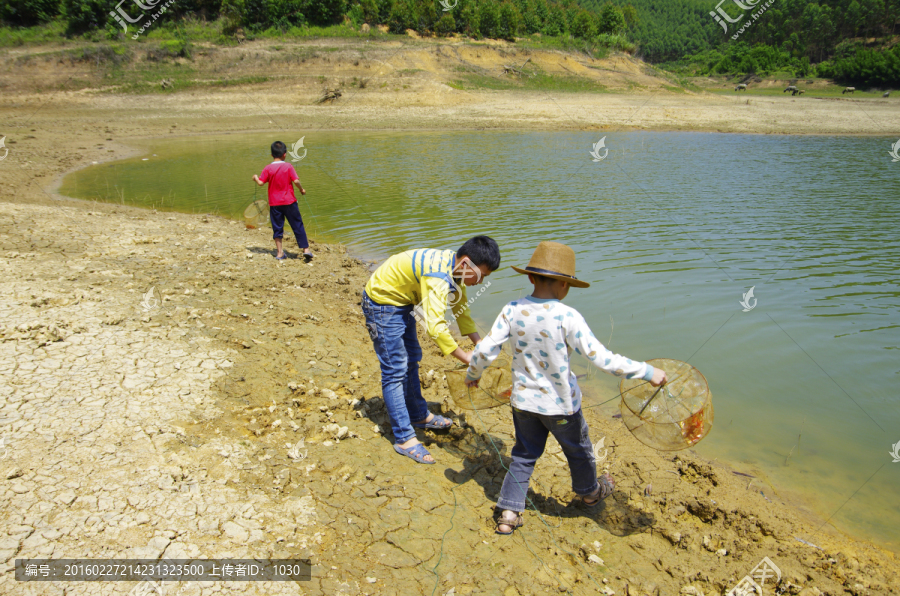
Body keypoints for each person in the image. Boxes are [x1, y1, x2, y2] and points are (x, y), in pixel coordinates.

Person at [465, 241, 667, 534]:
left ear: (531, 277)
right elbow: (603, 359)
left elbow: (484, 350)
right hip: (561, 407)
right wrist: (647, 371)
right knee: (579, 451)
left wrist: (474, 374)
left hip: (523, 404)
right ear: (566, 285)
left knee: (523, 455)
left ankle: (508, 512)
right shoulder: (568, 316)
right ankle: (589, 493)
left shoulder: (512, 309)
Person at [362, 236, 501, 464]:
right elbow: (435, 327)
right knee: (395, 369)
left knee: (412, 359)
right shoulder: (438, 275)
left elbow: (461, 311)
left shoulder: (455, 269)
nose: (481, 281)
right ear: (466, 264)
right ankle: (404, 438)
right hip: (383, 302)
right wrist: (465, 356)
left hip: (404, 300)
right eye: (482, 276)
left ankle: (418, 415)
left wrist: (479, 344)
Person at [252, 141, 313, 262]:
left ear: (271, 155)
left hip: (275, 204)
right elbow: (296, 181)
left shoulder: (268, 168)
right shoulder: (288, 166)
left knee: (277, 228)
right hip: (289, 202)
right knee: (297, 225)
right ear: (285, 154)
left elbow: (260, 183)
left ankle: (280, 253)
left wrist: (255, 178)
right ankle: (305, 250)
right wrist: (302, 189)